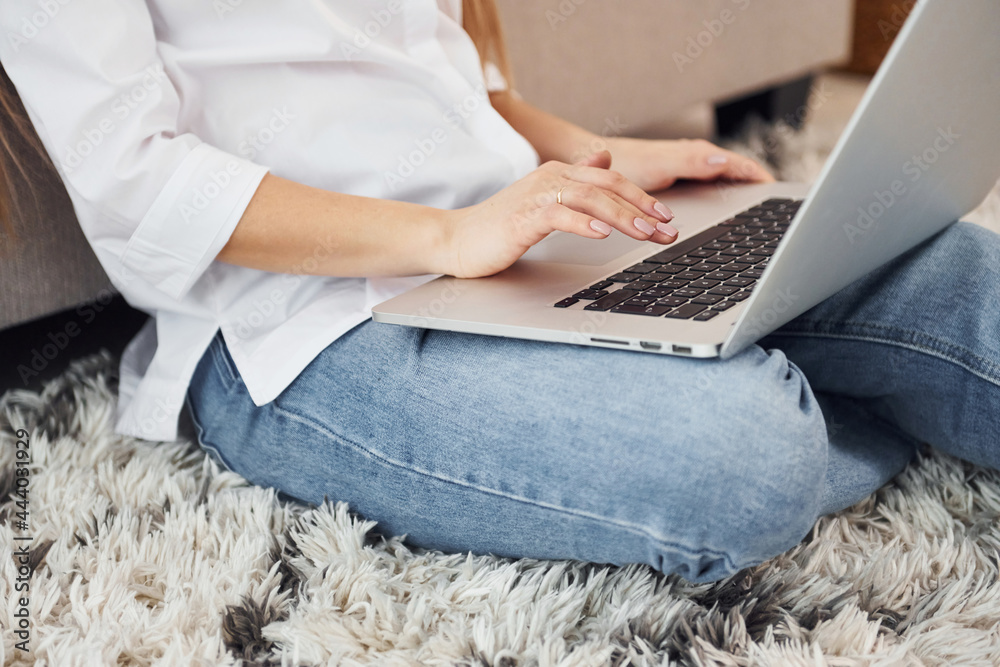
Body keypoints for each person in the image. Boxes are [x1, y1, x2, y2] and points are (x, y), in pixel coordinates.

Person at [1, 0, 997, 583]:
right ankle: (836, 394)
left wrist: (594, 158)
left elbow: (449, 69)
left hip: (518, 223)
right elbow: (132, 180)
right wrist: (446, 235)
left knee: (951, 268)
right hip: (308, 322)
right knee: (748, 461)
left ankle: (786, 367)